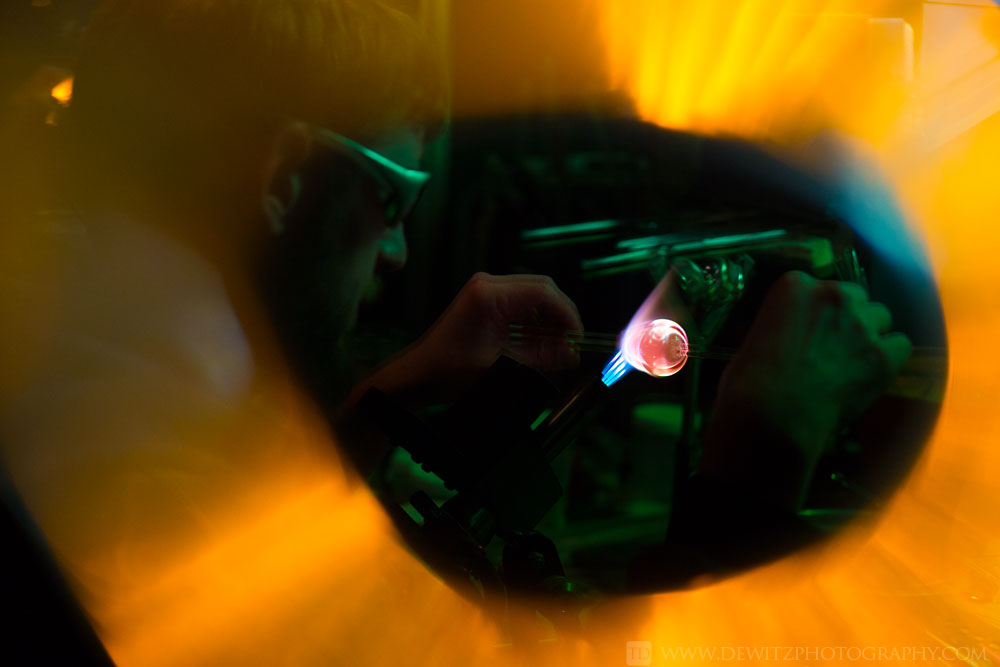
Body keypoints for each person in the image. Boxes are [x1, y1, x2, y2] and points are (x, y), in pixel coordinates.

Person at [0, 0, 911, 660]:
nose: (396, 255)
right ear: (285, 177)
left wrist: (389, 398)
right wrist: (758, 467)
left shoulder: (84, 333)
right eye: (391, 203)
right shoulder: (163, 439)